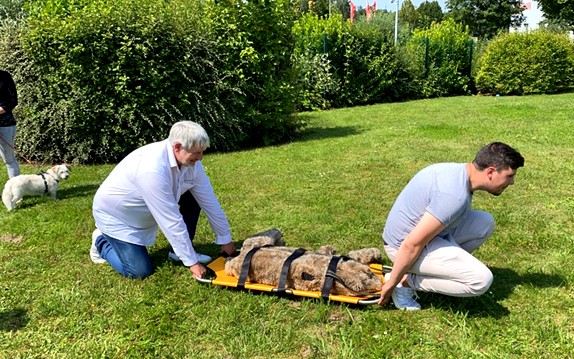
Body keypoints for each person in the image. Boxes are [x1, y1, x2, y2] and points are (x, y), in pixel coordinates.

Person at [378, 142, 525, 310]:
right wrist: (392, 282)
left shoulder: (458, 173)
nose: (512, 182)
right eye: (510, 175)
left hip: (425, 237)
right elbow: (412, 244)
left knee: (485, 222)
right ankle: (405, 283)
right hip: (401, 248)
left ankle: (438, 269)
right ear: (491, 172)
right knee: (480, 281)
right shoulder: (454, 197)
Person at [91, 121, 237, 279]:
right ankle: (101, 242)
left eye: (202, 152)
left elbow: (210, 202)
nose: (200, 158)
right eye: (196, 152)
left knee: (194, 196)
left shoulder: (191, 163)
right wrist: (192, 263)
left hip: (143, 210)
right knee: (139, 271)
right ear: (177, 147)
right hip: (118, 217)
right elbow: (171, 220)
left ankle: (177, 253)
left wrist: (226, 240)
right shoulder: (151, 169)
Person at [0, 70, 20, 178]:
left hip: (5, 125)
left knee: (9, 159)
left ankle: (16, 191)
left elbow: (13, 100)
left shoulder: (4, 76)